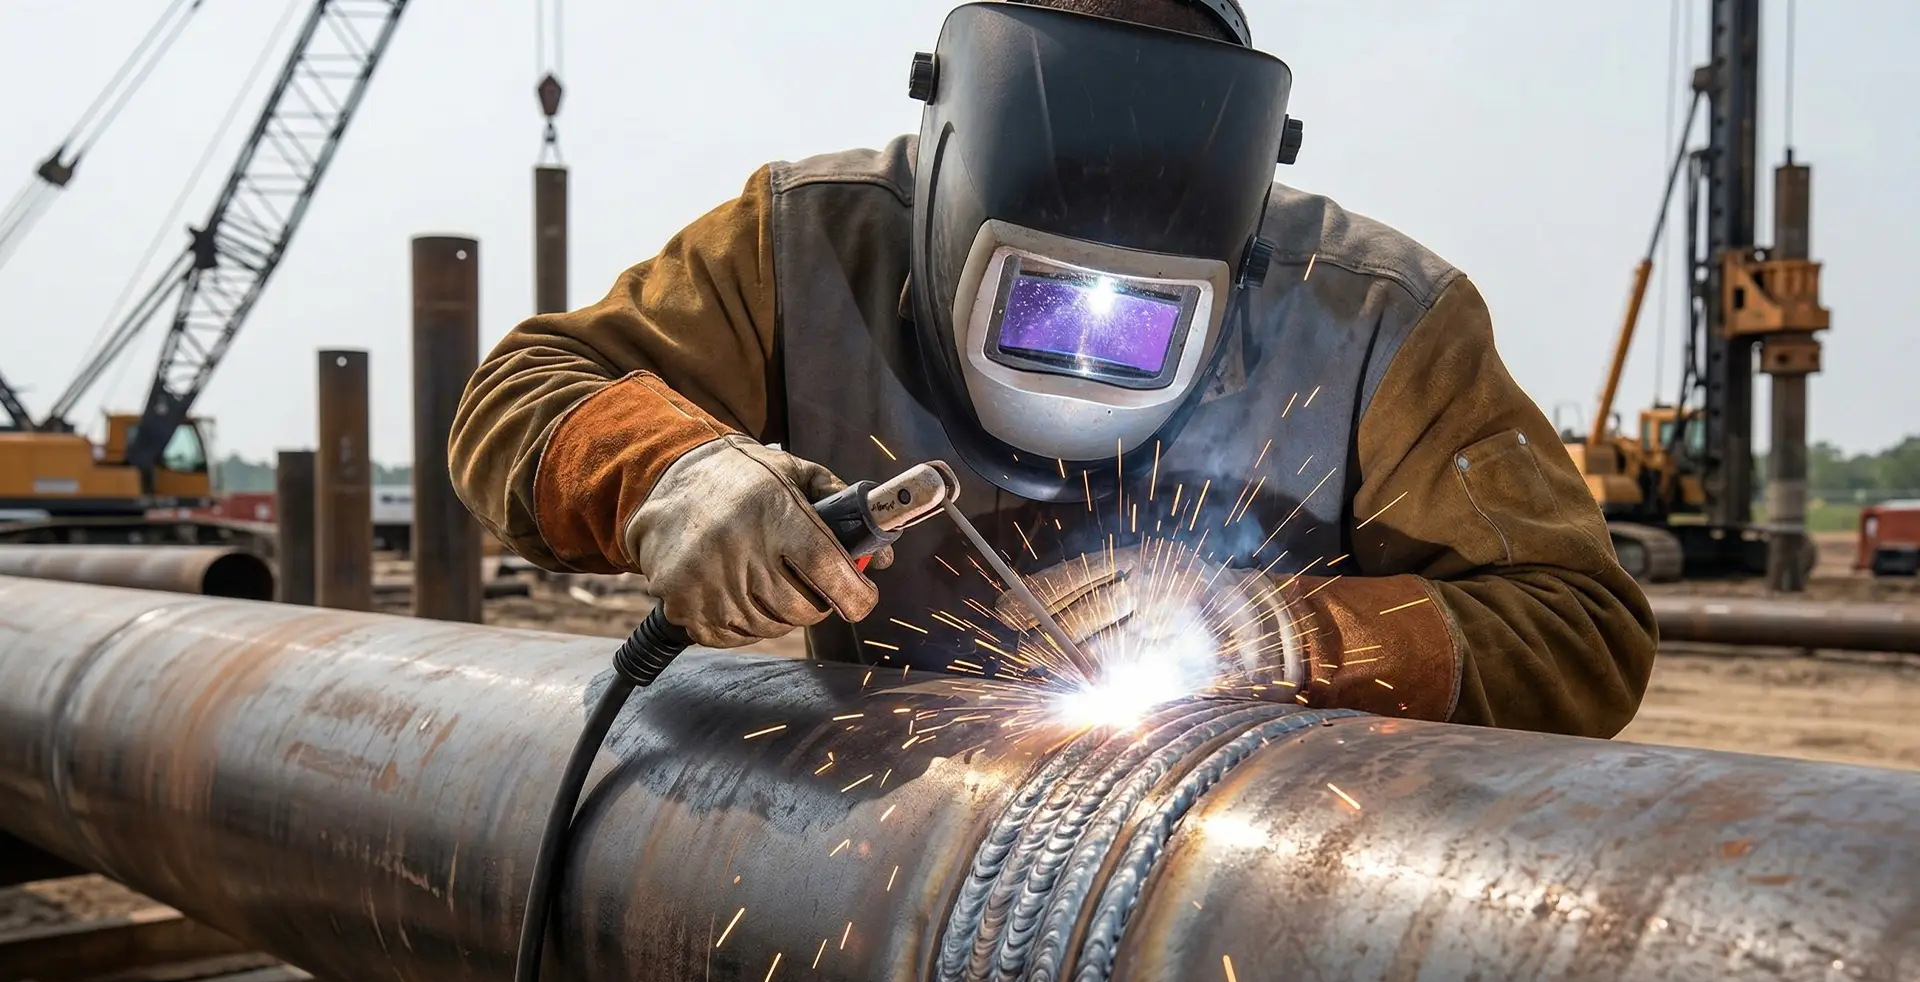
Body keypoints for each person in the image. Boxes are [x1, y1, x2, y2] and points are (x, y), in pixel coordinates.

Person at [450, 0, 1657, 737]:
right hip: (886, 848)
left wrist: (1291, 641)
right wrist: (672, 473)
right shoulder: (807, 240)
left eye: (1139, 315)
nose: (1082, 348)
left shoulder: (1383, 319)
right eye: (1041, 297)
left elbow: (1581, 636)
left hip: (1265, 890)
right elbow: (518, 396)